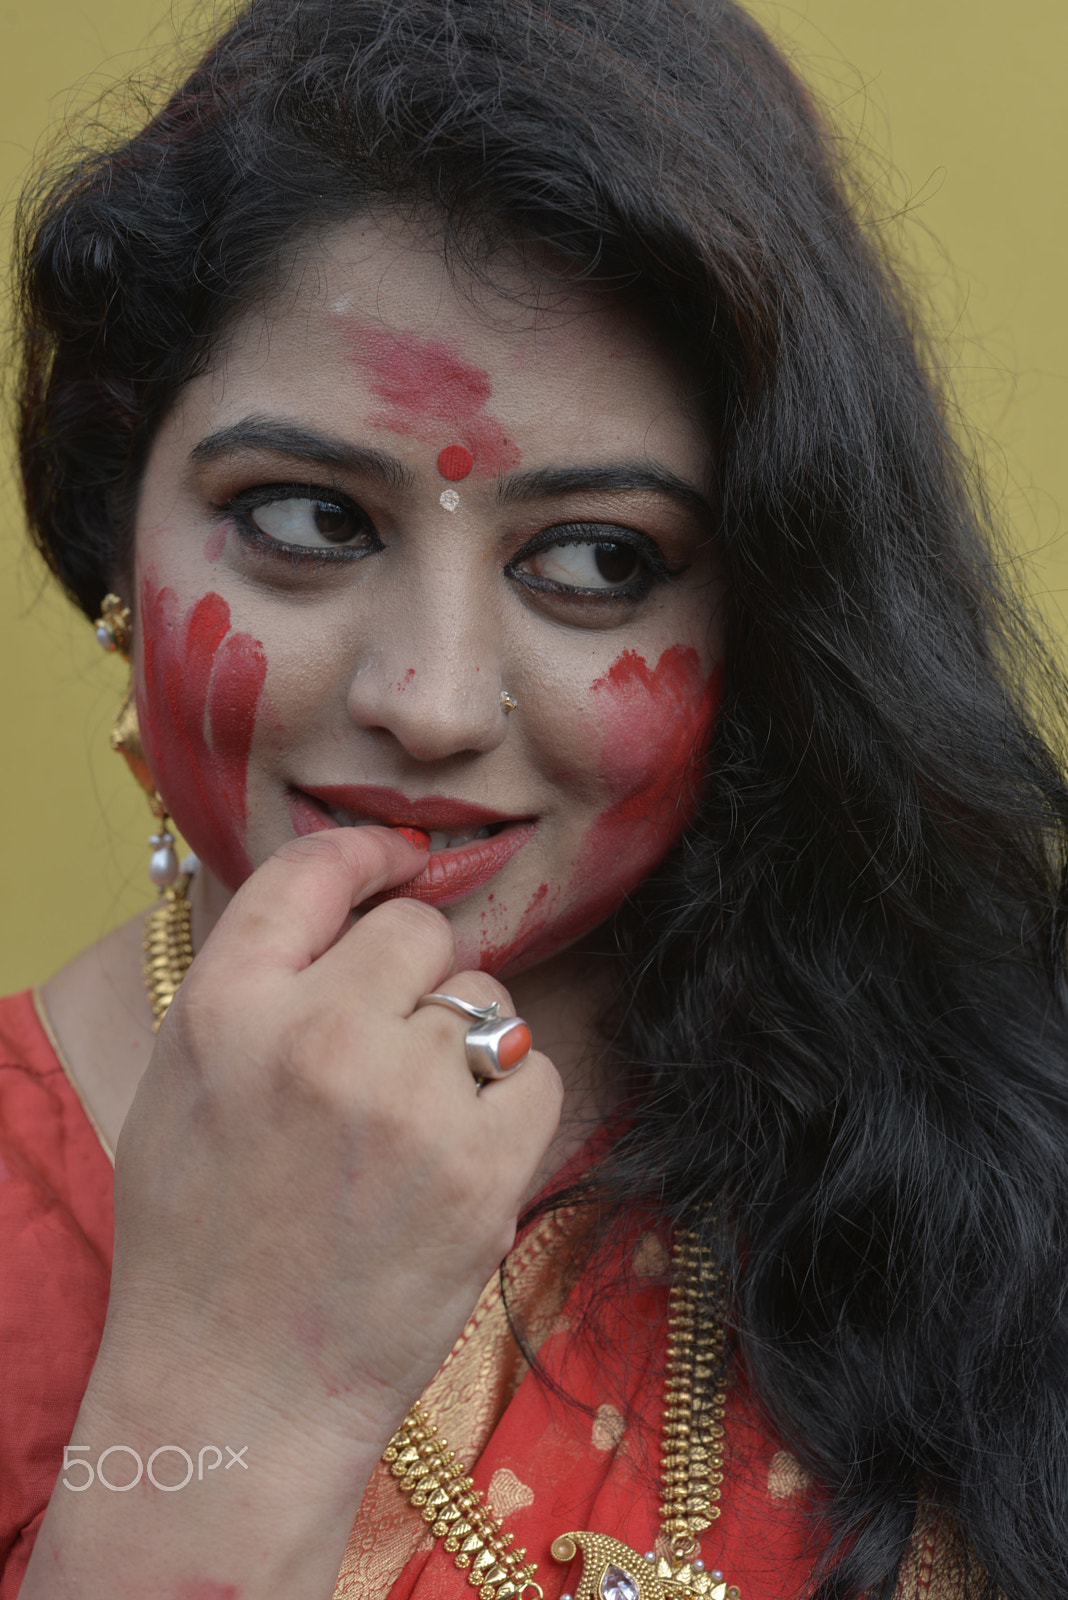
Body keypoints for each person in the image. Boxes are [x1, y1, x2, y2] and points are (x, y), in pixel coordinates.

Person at [3, 0, 1067, 1595]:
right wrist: (235, 1401)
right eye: (307, 517)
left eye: (596, 561)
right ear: (112, 520)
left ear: (764, 614)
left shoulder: (988, 1160)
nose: (429, 703)